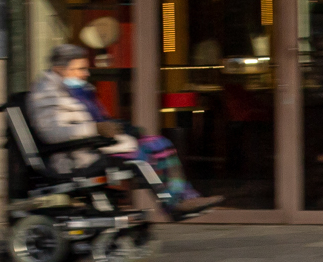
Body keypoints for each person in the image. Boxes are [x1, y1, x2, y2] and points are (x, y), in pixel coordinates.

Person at [26, 44, 221, 215]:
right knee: (141, 154)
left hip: (96, 146)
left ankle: (185, 197)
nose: (86, 74)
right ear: (60, 69)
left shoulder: (79, 90)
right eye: (80, 69)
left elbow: (99, 120)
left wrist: (119, 128)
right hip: (75, 156)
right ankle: (174, 204)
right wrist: (95, 128)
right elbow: (51, 133)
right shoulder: (46, 94)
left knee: (162, 144)